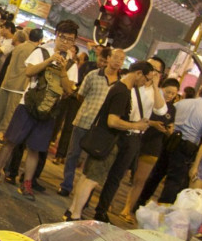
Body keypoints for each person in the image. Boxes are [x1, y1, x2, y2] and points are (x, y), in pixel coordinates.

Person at [0, 19, 80, 200]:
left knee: (35, 149)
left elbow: (69, 89)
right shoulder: (42, 52)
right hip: (27, 105)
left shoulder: (72, 65)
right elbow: (28, 72)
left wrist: (63, 71)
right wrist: (50, 60)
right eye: (63, 37)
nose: (65, 42)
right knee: (10, 141)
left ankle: (27, 183)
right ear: (57, 36)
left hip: (49, 111)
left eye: (70, 40)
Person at [64, 61, 153, 220]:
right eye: (147, 78)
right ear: (139, 73)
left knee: (86, 177)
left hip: (101, 139)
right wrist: (135, 125)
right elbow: (113, 121)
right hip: (108, 142)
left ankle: (72, 210)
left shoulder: (119, 87)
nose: (146, 83)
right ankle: (75, 215)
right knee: (91, 180)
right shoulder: (123, 92)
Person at [91, 56, 168, 222]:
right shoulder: (130, 83)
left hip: (134, 137)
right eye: (149, 67)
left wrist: (155, 86)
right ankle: (85, 202)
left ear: (159, 74)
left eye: (155, 69)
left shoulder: (155, 91)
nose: (151, 71)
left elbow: (161, 111)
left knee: (117, 176)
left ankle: (101, 210)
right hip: (117, 130)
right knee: (99, 169)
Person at [134, 82, 202, 208]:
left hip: (169, 140)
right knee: (174, 181)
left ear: (200, 91)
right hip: (186, 148)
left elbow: (168, 118)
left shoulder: (181, 103)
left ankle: (139, 203)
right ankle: (162, 209)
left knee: (156, 174)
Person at [57, 47, 122, 197]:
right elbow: (81, 96)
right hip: (84, 120)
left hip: (101, 128)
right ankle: (66, 185)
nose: (118, 62)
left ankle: (82, 191)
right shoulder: (93, 75)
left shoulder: (120, 84)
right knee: (73, 154)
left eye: (122, 59)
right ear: (109, 58)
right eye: (116, 58)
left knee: (91, 161)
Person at [120, 77, 179, 222]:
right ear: (161, 89)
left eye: (173, 94)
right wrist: (152, 123)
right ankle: (106, 201)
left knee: (140, 180)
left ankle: (127, 209)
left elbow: (169, 126)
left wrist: (168, 131)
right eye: (168, 92)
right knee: (120, 173)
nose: (170, 96)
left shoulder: (172, 109)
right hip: (137, 139)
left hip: (153, 146)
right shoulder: (151, 99)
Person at [0, 28, 41, 143]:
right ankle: (0, 134)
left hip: (7, 82)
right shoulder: (35, 51)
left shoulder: (19, 47)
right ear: (40, 40)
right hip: (19, 85)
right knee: (10, 112)